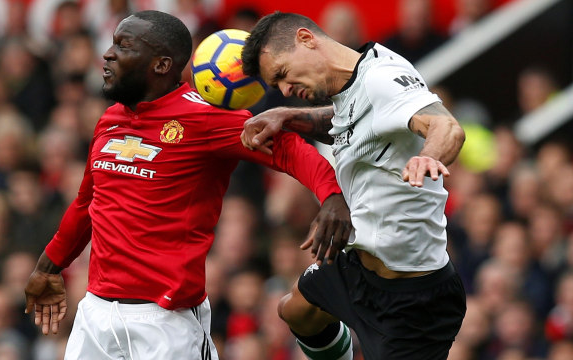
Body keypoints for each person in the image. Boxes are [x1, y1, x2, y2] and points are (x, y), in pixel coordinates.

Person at [23, 10, 350, 360]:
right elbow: (87, 203)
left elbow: (289, 150)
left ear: (162, 65)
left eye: (124, 45)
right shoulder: (110, 119)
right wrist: (47, 267)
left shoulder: (204, 119)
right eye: (112, 43)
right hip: (96, 314)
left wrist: (331, 195)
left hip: (166, 322)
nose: (108, 54)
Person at [240, 11, 467, 360]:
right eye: (277, 86)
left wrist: (428, 156)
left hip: (412, 302)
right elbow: (348, 122)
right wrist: (289, 116)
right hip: (358, 267)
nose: (285, 89)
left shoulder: (383, 79)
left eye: (282, 75)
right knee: (295, 310)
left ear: (305, 39)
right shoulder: (356, 81)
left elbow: (446, 126)